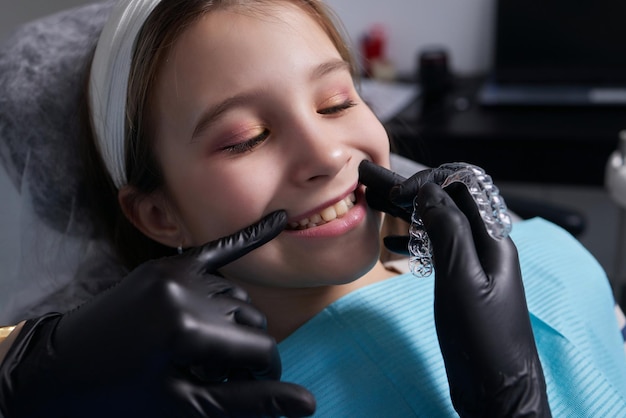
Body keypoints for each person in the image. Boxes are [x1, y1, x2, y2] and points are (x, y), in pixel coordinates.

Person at [1, 0, 625, 417]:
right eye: (246, 138)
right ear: (159, 214)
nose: (327, 155)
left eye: (335, 102)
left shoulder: (545, 254)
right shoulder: (212, 403)